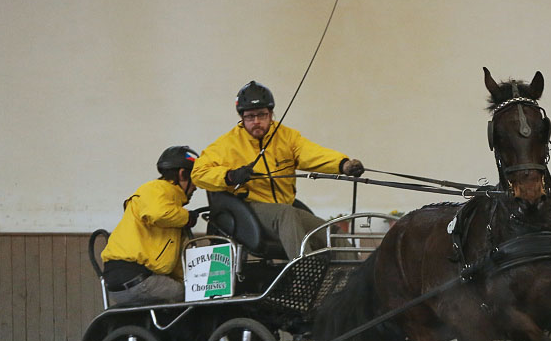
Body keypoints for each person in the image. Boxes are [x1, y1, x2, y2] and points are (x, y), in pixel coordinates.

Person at [190, 80, 364, 259]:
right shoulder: (226, 145)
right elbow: (198, 173)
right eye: (250, 117)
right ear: (241, 117)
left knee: (332, 235)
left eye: (262, 115)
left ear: (271, 113)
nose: (256, 121)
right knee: (286, 214)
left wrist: (343, 164)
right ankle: (305, 268)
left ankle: (352, 274)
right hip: (251, 210)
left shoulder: (287, 137)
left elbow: (313, 154)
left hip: (286, 210)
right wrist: (230, 176)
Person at [101, 146, 199, 307]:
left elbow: (173, 262)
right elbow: (158, 213)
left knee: (188, 292)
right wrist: (187, 217)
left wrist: (191, 281)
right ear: (182, 174)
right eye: (194, 179)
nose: (196, 186)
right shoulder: (157, 189)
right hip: (136, 277)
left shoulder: (171, 209)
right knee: (190, 296)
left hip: (131, 279)